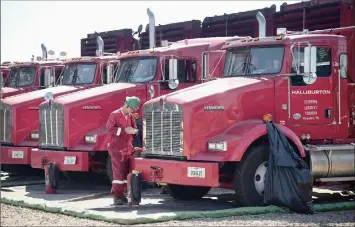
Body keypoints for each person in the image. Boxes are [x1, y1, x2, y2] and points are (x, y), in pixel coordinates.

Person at [106, 96, 141, 205]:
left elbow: (134, 128)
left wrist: (134, 131)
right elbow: (109, 129)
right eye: (131, 108)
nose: (131, 111)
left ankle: (124, 194)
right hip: (117, 149)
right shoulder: (114, 115)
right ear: (126, 105)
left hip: (127, 148)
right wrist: (123, 130)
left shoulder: (130, 116)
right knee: (118, 173)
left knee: (126, 172)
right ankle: (117, 196)